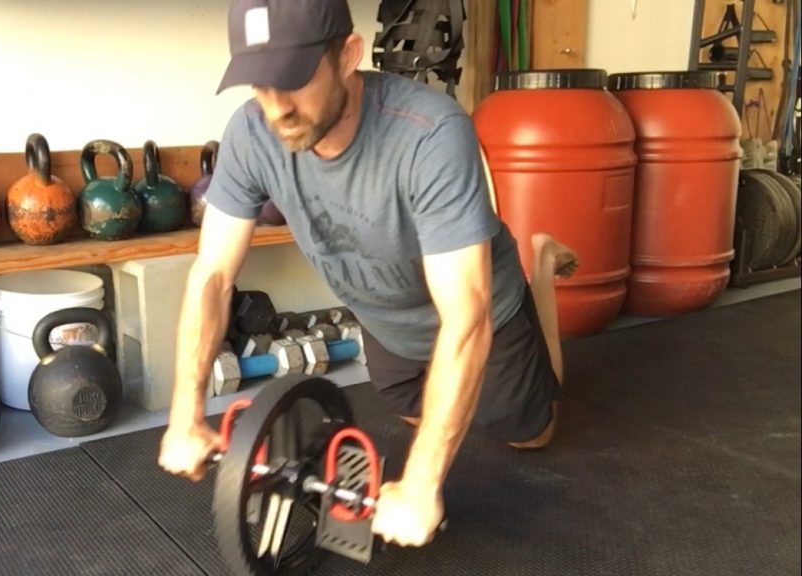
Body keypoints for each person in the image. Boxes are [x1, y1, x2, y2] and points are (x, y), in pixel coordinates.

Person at [158, 0, 578, 549]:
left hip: (483, 311)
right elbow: (213, 275)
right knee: (416, 417)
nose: (276, 107)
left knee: (529, 435)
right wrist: (186, 413)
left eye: (294, 78)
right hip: (386, 320)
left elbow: (467, 316)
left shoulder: (430, 133)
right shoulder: (251, 133)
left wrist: (423, 483)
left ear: (349, 55)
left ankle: (540, 269)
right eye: (259, 84)